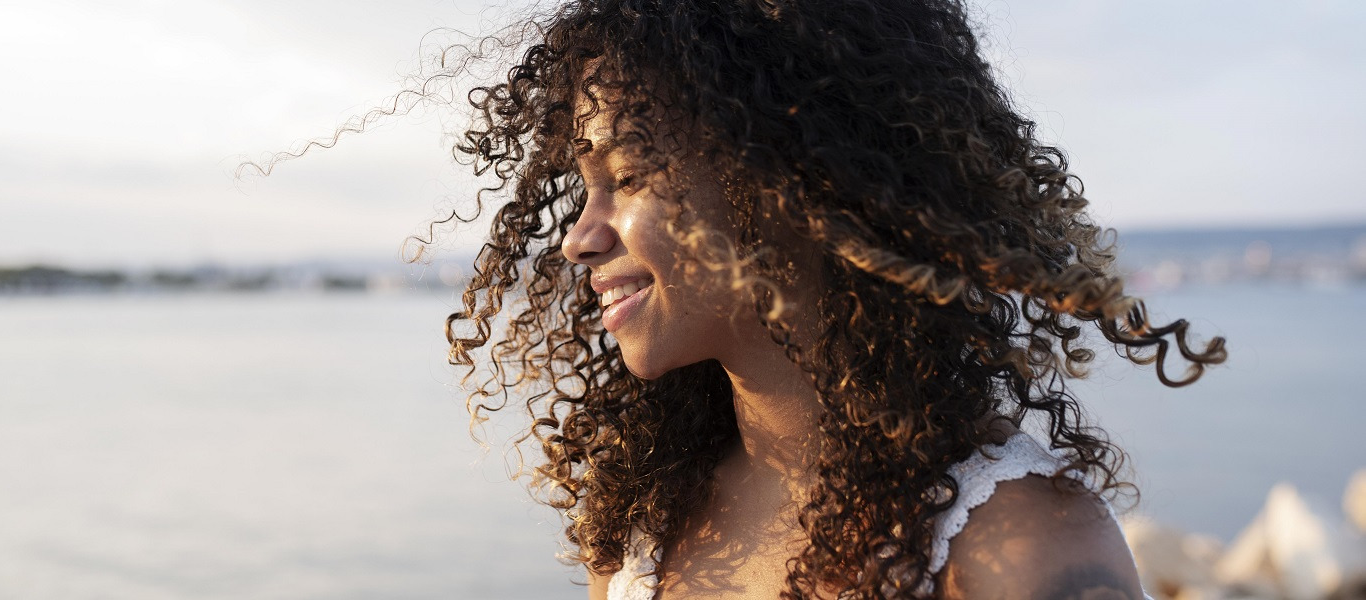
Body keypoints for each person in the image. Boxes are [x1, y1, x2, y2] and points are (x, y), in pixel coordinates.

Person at [431, 1, 1228, 598]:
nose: (580, 236)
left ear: (789, 177)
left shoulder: (1018, 550)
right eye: (584, 187)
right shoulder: (648, 527)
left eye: (629, 175)